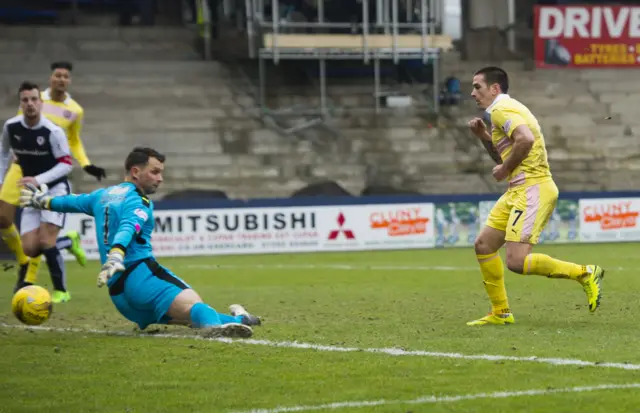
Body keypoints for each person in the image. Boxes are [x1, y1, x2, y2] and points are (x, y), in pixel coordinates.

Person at [19, 147, 261, 338]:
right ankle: (215, 331)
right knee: (197, 307)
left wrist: (43, 201)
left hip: (120, 298)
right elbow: (129, 227)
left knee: (187, 315)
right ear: (135, 172)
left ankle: (241, 320)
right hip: (140, 278)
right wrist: (117, 253)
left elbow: (70, 201)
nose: (160, 179)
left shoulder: (102, 195)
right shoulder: (139, 201)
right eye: (155, 172)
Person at [466, 66, 604, 326]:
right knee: (483, 245)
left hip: (533, 188)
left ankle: (585, 273)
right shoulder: (504, 110)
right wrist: (485, 137)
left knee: (517, 262)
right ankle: (500, 312)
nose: (473, 93)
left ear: (494, 88)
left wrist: (505, 169)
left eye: (477, 87)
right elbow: (504, 155)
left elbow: (525, 140)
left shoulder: (500, 109)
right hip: (518, 188)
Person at [2, 62, 107, 300]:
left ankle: (54, 287)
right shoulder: (24, 112)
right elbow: (11, 142)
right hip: (23, 172)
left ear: (69, 80)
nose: (61, 79)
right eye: (57, 75)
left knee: (45, 240)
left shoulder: (74, 111)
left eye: (65, 76)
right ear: (50, 79)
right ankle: (65, 242)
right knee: (27, 242)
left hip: (51, 178)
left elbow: (74, 141)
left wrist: (86, 163)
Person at [1, 82, 75, 300]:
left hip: (55, 190)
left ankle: (61, 290)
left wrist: (39, 179)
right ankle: (69, 241)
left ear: (41, 103)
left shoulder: (53, 131)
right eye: (25, 100)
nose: (30, 104)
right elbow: (3, 153)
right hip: (30, 193)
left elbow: (66, 164)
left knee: (46, 241)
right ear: (20, 103)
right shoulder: (11, 127)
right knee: (30, 249)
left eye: (34, 99)